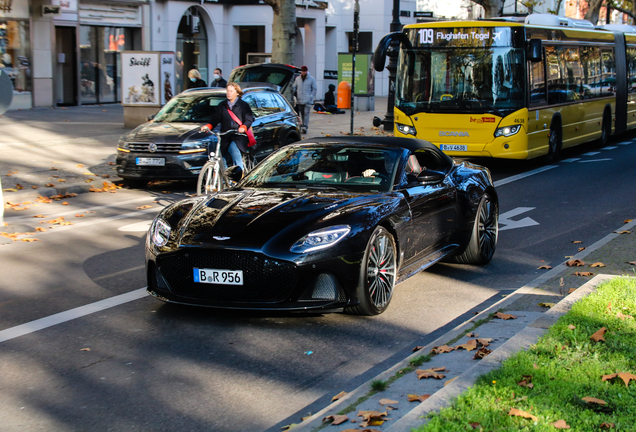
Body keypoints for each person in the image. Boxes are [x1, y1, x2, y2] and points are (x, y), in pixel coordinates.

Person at [201, 82, 254, 173]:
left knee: (233, 149)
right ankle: (225, 178)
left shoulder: (243, 105)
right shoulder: (222, 105)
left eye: (231, 91)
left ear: (237, 92)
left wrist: (243, 127)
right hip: (225, 135)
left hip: (238, 136)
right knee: (221, 156)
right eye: (227, 91)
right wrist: (209, 126)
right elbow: (215, 118)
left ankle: (239, 175)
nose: (228, 93)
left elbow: (249, 119)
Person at [292, 65, 317, 134]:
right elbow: (294, 87)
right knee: (302, 114)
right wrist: (294, 96)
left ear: (307, 71)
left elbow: (314, 89)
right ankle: (302, 126)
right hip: (300, 100)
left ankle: (305, 127)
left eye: (304, 71)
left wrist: (310, 97)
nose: (303, 73)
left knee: (306, 113)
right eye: (302, 71)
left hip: (308, 100)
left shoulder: (311, 79)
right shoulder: (297, 79)